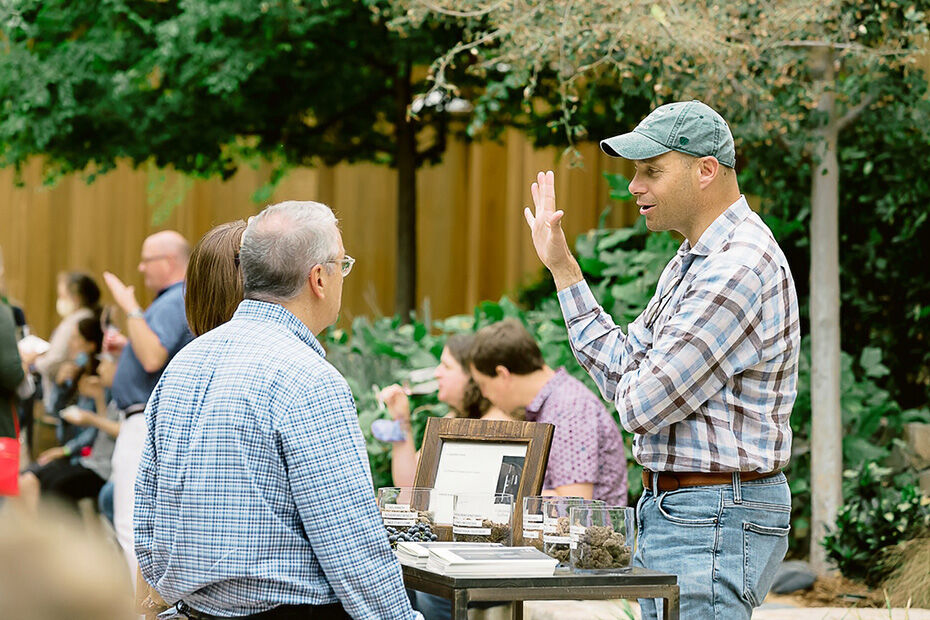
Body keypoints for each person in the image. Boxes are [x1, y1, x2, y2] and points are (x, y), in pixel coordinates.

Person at [523, 100, 800, 619]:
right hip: (687, 513)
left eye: (652, 171)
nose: (634, 186)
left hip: (713, 514)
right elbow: (625, 358)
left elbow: (640, 406)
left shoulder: (735, 267)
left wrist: (635, 380)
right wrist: (562, 267)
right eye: (634, 172)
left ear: (706, 170)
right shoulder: (692, 260)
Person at [135, 201, 420, 619]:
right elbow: (352, 544)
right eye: (343, 264)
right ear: (318, 278)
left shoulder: (184, 365)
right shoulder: (309, 378)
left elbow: (147, 518)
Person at [103, 230, 193, 578]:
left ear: (169, 261)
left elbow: (153, 356)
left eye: (146, 260)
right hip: (142, 421)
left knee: (130, 522)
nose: (140, 268)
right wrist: (129, 342)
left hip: (145, 421)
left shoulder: (173, 299)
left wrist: (130, 309)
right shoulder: (172, 299)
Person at [469, 318, 628, 506]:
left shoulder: (569, 408)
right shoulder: (554, 405)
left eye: (483, 385)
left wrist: (495, 496)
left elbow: (574, 505)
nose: (485, 395)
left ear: (503, 374)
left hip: (588, 534)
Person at [380, 332, 511, 488]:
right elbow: (410, 486)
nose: (437, 373)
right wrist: (401, 420)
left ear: (473, 375)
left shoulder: (497, 423)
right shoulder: (454, 419)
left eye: (446, 366)